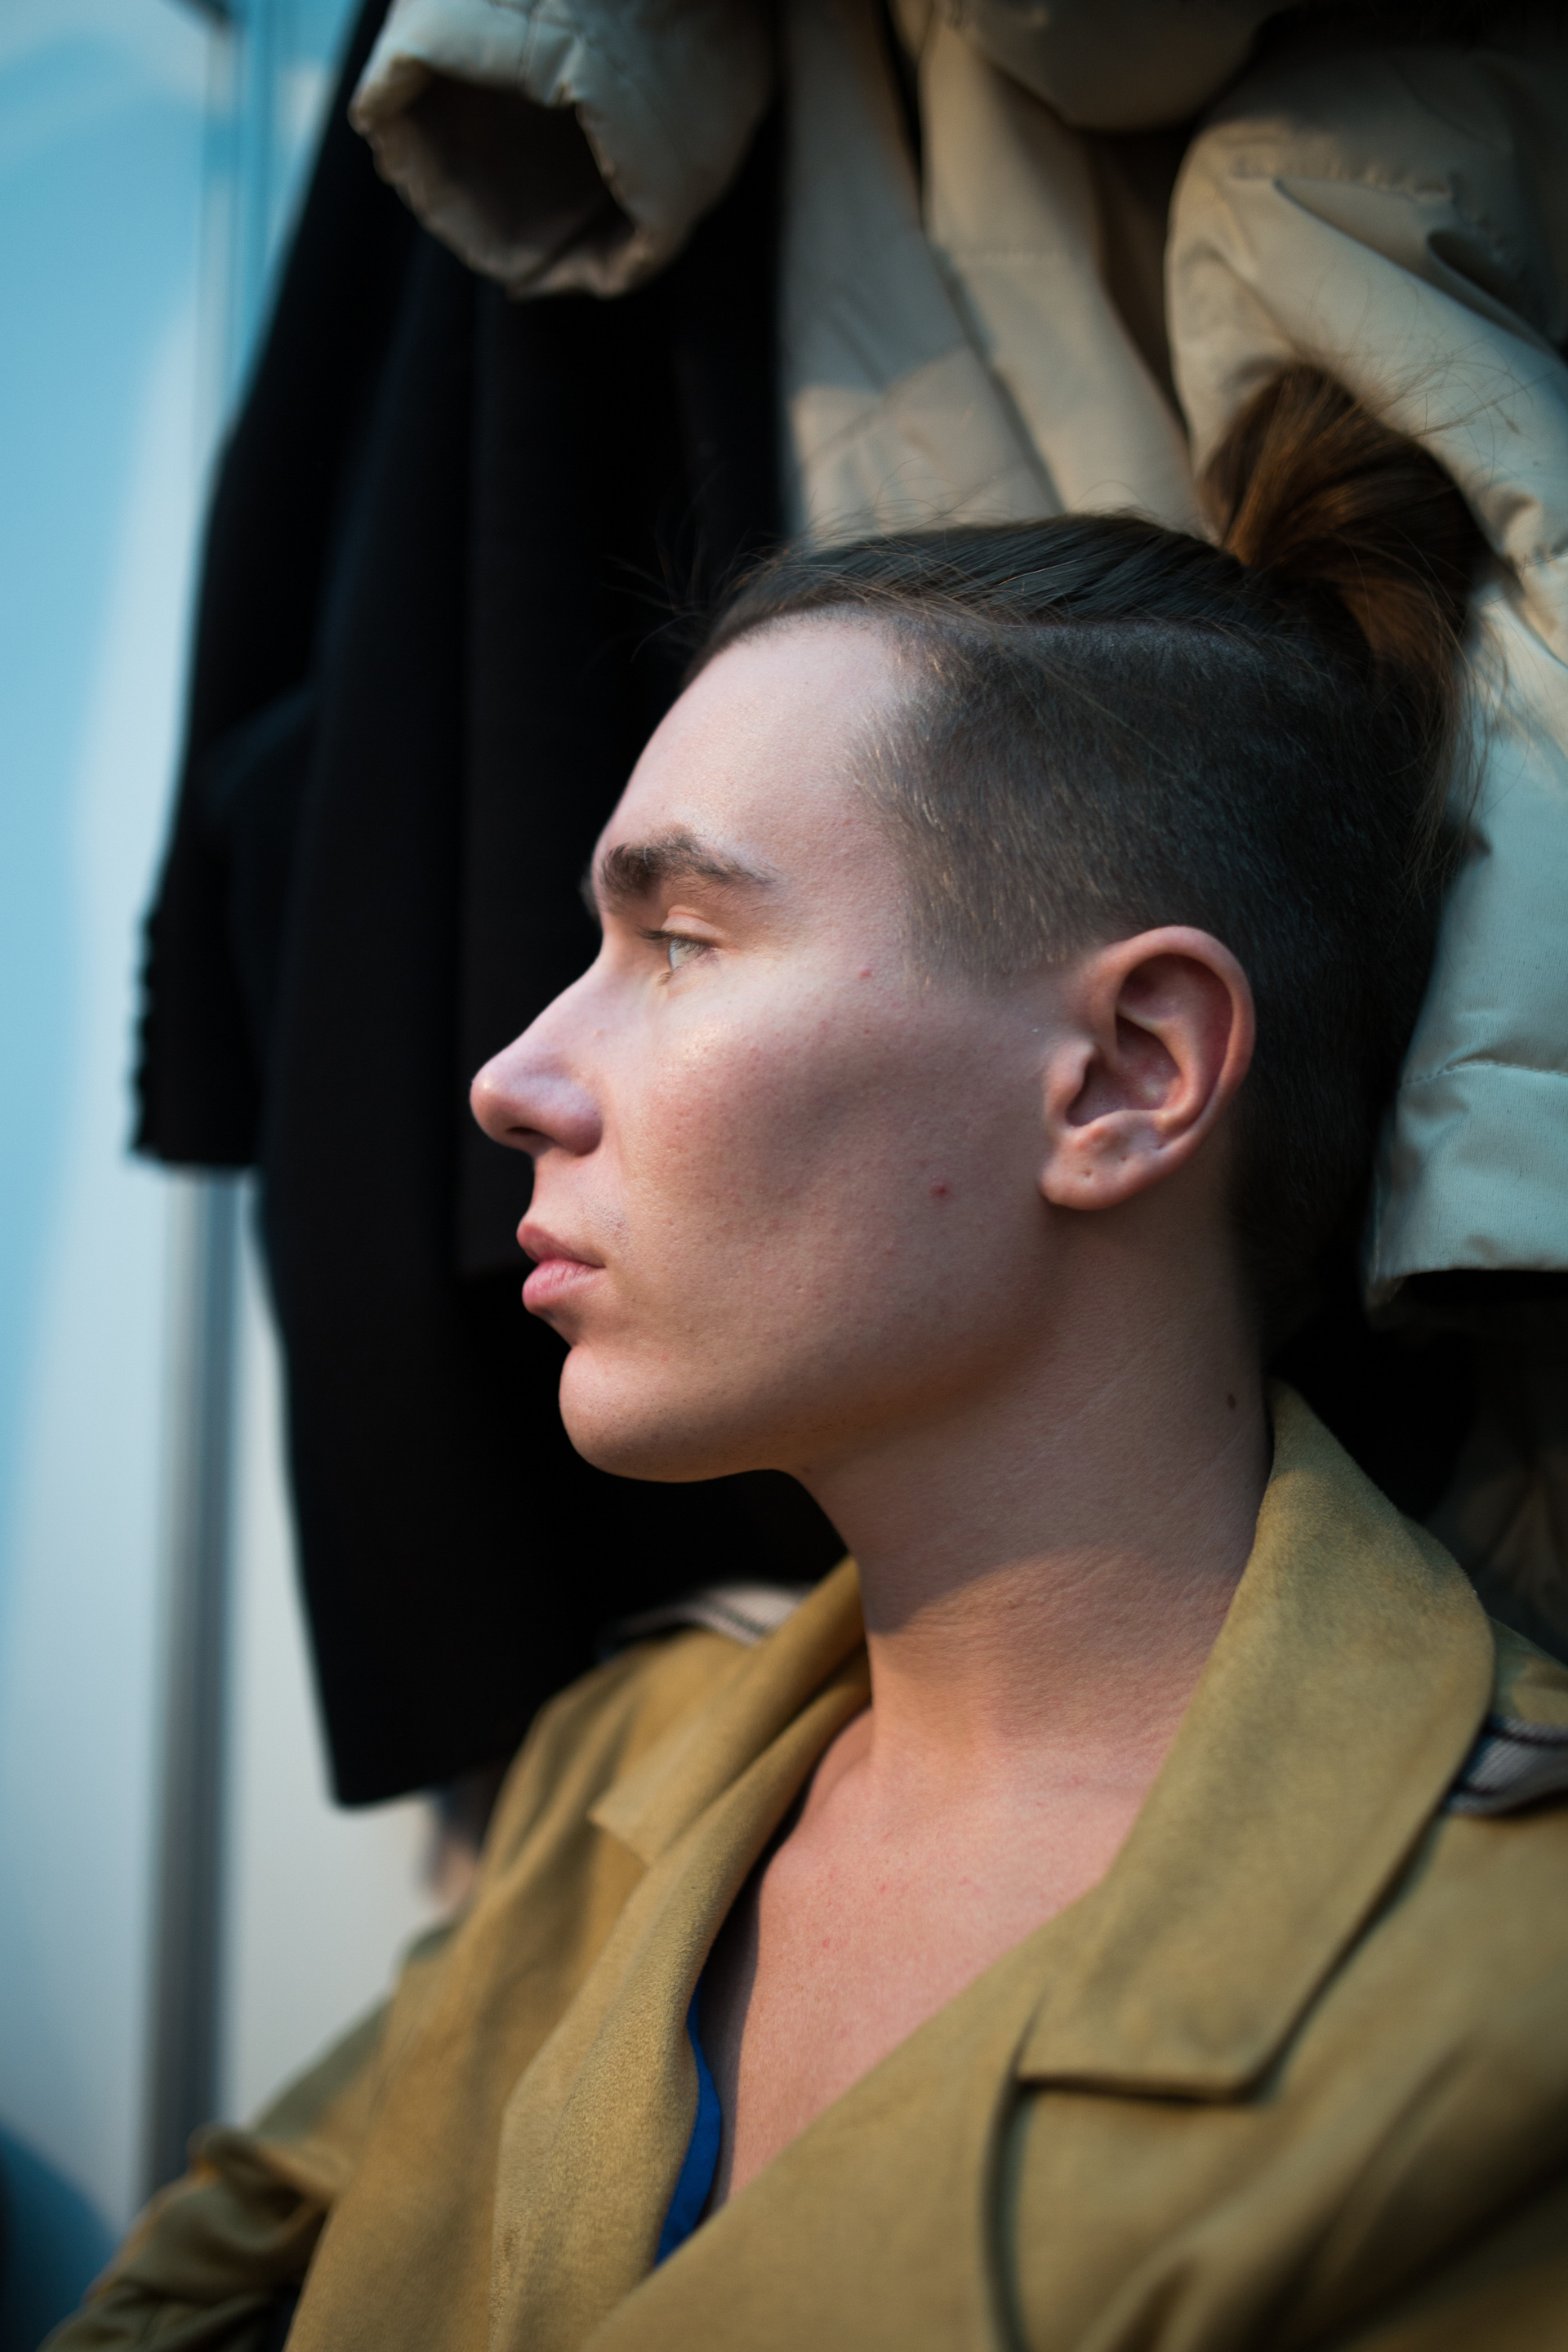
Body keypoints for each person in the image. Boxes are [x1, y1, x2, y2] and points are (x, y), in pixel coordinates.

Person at [51, 367, 1568, 2352]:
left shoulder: (1509, 1980)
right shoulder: (622, 1764)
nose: (512, 1076)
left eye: (680, 939)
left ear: (1127, 1075)